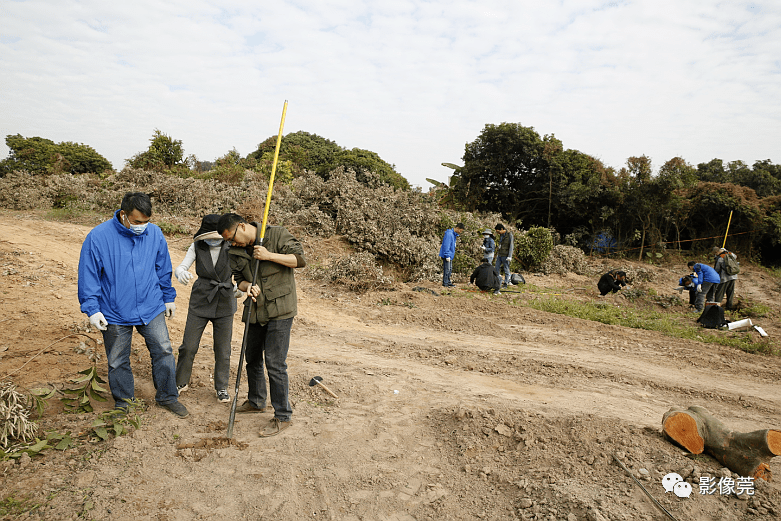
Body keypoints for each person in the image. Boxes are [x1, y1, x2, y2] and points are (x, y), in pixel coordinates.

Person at [77, 192, 188, 418]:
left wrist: (168, 297)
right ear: (123, 215)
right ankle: (124, 402)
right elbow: (89, 275)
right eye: (137, 222)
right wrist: (92, 308)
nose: (142, 227)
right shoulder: (98, 237)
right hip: (114, 310)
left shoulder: (155, 233)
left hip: (151, 305)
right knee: (118, 359)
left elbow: (162, 267)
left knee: (164, 351)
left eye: (146, 222)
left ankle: (167, 396)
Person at [217, 213, 306, 437]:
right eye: (228, 241)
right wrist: (248, 287)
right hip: (255, 309)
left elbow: (299, 260)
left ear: (242, 226)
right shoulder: (234, 251)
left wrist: (269, 255)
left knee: (275, 363)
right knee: (252, 357)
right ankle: (257, 401)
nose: (232, 243)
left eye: (232, 237)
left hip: (280, 309)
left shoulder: (276, 234)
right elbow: (239, 280)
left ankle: (283, 415)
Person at [173, 214, 244, 404]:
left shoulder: (233, 245)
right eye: (210, 236)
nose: (213, 240)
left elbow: (242, 271)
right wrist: (180, 273)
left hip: (225, 298)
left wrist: (239, 288)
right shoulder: (197, 246)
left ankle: (221, 386)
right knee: (188, 345)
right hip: (201, 298)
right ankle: (180, 382)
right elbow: (182, 266)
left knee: (223, 349)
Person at [439, 223, 464, 287]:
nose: (460, 232)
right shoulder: (449, 234)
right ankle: (445, 283)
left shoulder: (453, 235)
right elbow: (446, 245)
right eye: (460, 230)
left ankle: (448, 281)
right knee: (447, 269)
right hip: (447, 255)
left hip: (450, 254)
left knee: (449, 269)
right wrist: (447, 255)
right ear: (457, 228)